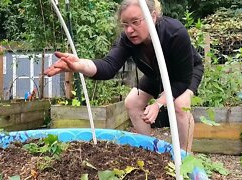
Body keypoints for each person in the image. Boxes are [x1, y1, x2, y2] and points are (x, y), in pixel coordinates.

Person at [45, 0, 203, 152]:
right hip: (156, 74)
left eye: (135, 22)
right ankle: (148, 149)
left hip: (185, 73)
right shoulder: (127, 40)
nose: (129, 30)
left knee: (180, 105)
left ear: (152, 17)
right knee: (132, 102)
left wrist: (158, 104)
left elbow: (182, 81)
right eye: (125, 24)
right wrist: (79, 64)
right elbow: (108, 66)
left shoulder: (175, 33)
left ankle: (184, 155)